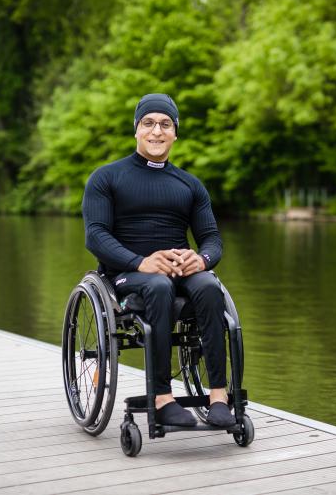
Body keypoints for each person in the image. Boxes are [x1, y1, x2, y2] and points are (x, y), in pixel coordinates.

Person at [82, 93, 235, 427]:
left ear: (175, 133)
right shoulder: (107, 178)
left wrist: (202, 258)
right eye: (148, 123)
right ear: (136, 130)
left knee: (210, 285)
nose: (157, 131)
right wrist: (140, 262)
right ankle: (163, 397)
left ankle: (219, 397)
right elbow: (96, 236)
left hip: (179, 269)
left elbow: (212, 238)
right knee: (158, 285)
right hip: (126, 275)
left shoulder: (190, 185)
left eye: (165, 124)